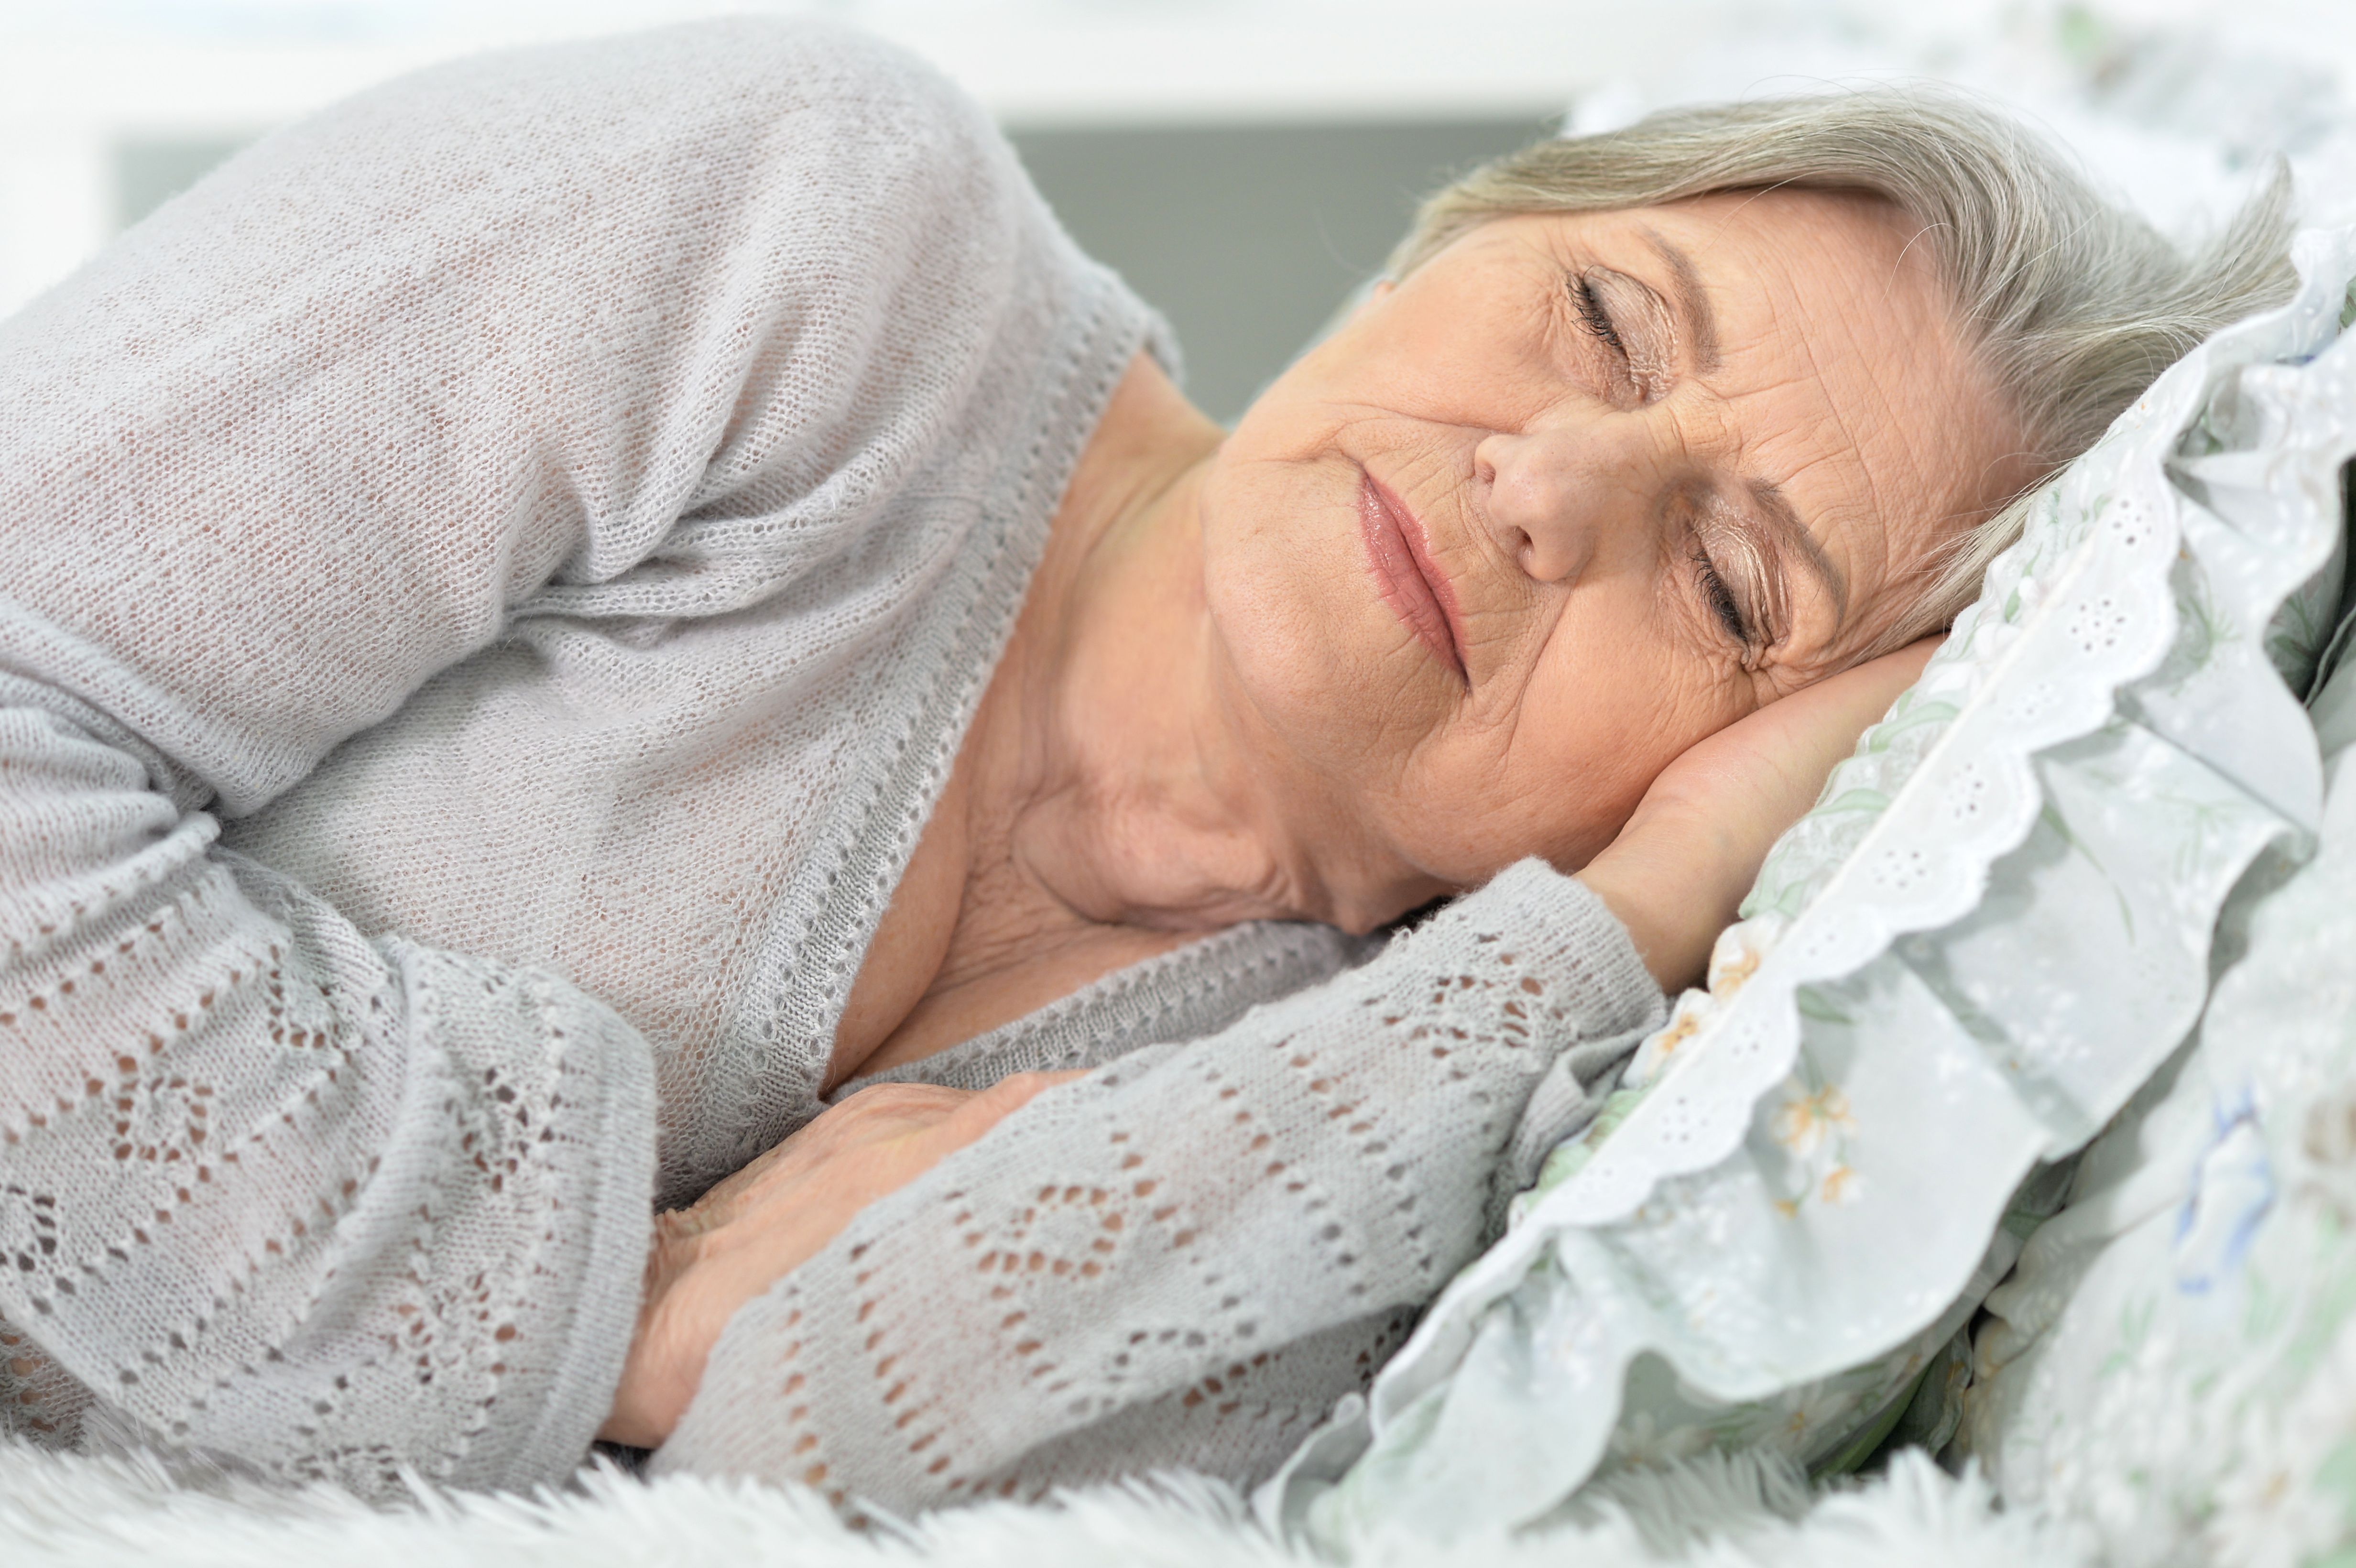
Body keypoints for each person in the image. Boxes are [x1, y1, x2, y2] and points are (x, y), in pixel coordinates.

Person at [0, 17, 2291, 1512]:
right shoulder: (807, 222)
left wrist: (1630, 911)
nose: (1556, 483)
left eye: (1724, 591)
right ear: (1464, 234)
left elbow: (839, 1453)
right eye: (1602, 317)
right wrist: (607, 1304)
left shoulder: (1403, 1084)